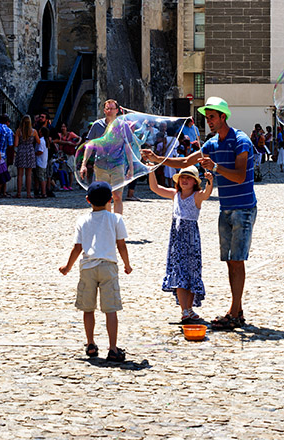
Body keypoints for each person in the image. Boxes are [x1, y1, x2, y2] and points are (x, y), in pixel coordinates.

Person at [142, 97, 256, 330]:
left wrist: (215, 168)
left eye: (212, 117)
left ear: (223, 116)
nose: (209, 121)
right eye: (207, 117)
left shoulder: (241, 141)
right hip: (226, 208)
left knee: (237, 260)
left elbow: (240, 176)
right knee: (230, 261)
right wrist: (158, 159)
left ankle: (233, 312)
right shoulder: (213, 143)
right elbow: (185, 160)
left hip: (243, 207)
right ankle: (238, 310)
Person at [59, 181, 132, 362]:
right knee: (111, 309)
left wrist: (67, 267)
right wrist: (127, 265)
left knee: (88, 308)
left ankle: (91, 344)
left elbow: (77, 247)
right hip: (108, 266)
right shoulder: (116, 219)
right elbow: (121, 245)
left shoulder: (83, 220)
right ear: (110, 200)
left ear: (87, 200)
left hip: (88, 267)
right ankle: (113, 348)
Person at [148, 165, 214, 324]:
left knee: (191, 273)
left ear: (195, 182)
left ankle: (189, 309)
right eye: (182, 178)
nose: (185, 180)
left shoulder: (197, 196)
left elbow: (206, 194)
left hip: (191, 240)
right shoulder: (175, 194)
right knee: (179, 272)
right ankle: (184, 310)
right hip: (177, 241)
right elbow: (155, 188)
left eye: (189, 178)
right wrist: (151, 171)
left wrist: (210, 181)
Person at [81, 99, 135, 214]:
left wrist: (131, 166)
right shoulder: (97, 125)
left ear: (117, 111)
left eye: (112, 108)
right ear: (104, 111)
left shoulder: (123, 126)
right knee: (103, 197)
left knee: (117, 196)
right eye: (107, 108)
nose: (110, 111)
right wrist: (83, 164)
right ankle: (106, 221)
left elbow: (128, 147)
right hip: (100, 166)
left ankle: (117, 222)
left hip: (118, 164)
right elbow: (90, 146)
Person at [14, 115, 40, 199]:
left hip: (21, 150)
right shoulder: (34, 131)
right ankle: (28, 194)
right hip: (30, 151)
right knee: (29, 174)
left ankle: (19, 193)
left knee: (20, 174)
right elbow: (38, 141)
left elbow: (16, 144)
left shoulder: (19, 131)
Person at [52, 122, 80, 189]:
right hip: (61, 153)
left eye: (64, 127)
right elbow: (56, 141)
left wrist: (76, 144)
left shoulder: (70, 134)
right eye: (62, 127)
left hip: (69, 153)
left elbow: (79, 138)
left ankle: (70, 185)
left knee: (70, 170)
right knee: (62, 170)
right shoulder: (59, 135)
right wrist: (67, 142)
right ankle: (63, 185)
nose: (63, 128)